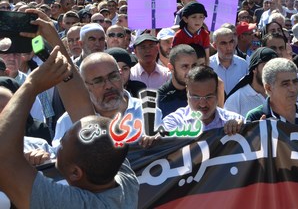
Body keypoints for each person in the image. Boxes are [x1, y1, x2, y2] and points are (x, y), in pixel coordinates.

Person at [0, 16, 137, 207]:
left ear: (75, 172)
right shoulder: (122, 179)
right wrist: (53, 40)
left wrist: (30, 86)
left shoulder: (69, 203)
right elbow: (81, 107)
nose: (58, 143)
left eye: (63, 141)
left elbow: (4, 158)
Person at [162, 66, 243, 135]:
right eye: (196, 97)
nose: (203, 104)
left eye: (209, 97)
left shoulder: (234, 120)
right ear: (187, 91)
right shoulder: (173, 122)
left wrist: (243, 129)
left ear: (217, 93)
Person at [246, 58, 298, 126]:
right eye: (285, 84)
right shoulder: (255, 117)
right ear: (269, 88)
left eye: (295, 82)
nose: (293, 89)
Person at [225, 48, 278, 117]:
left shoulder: (281, 95)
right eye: (266, 66)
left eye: (275, 67)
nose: (271, 71)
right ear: (254, 69)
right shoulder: (235, 100)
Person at [156, 45, 198, 117]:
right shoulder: (161, 98)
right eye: (185, 66)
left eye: (194, 66)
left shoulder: (204, 92)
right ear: (171, 68)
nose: (191, 71)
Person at [209, 27, 250, 96]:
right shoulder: (208, 65)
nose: (229, 48)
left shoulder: (243, 65)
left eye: (231, 42)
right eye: (223, 43)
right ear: (215, 46)